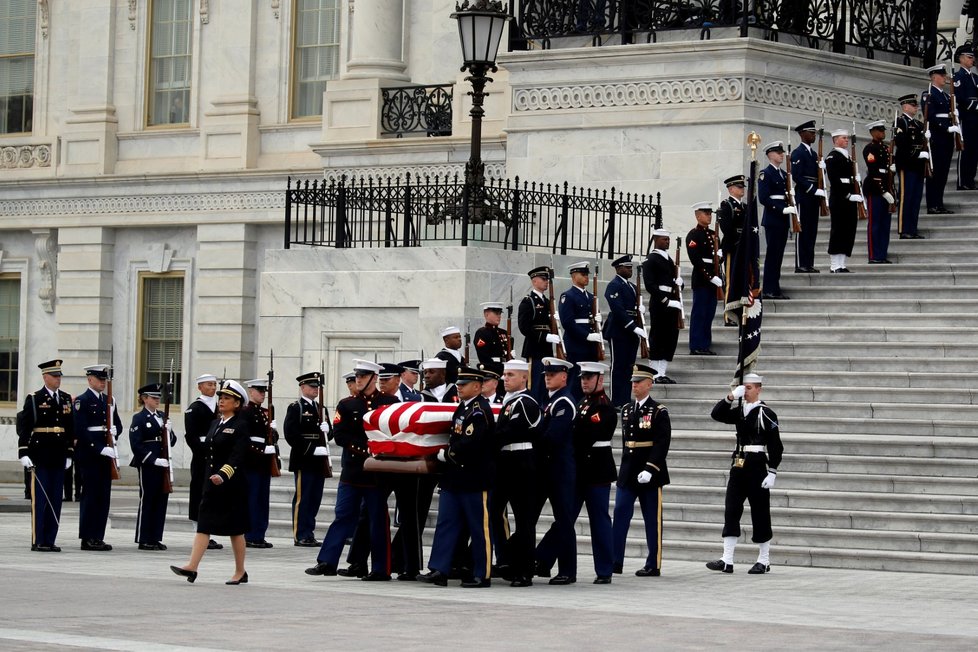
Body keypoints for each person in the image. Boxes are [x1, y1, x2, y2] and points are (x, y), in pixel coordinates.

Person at [306, 359, 396, 581]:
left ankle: (381, 568)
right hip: (354, 469)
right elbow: (340, 434)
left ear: (374, 379)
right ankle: (327, 561)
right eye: (357, 377)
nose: (358, 380)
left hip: (377, 472)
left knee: (377, 519)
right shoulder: (347, 404)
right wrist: (366, 448)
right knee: (343, 515)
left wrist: (379, 449)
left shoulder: (389, 402)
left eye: (363, 377)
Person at [537, 361, 617, 584]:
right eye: (582, 378)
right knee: (564, 519)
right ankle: (542, 558)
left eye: (589, 378)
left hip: (597, 471)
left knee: (599, 521)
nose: (584, 382)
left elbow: (586, 436)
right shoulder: (582, 403)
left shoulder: (604, 406)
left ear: (600, 380)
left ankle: (604, 570)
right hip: (578, 470)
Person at [416, 366, 495, 588]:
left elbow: (472, 444)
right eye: (458, 384)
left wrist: (445, 454)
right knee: (446, 524)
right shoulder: (463, 408)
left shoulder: (480, 411)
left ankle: (482, 573)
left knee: (480, 529)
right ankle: (440, 569)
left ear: (478, 387)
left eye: (464, 385)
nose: (459, 388)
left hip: (474, 478)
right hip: (455, 478)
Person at [170, 380, 251, 585]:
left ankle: (240, 571)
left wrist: (224, 474)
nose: (221, 401)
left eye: (227, 399)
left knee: (235, 530)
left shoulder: (240, 425)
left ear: (237, 403)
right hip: (211, 482)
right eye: (220, 398)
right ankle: (192, 566)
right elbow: (209, 452)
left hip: (231, 485)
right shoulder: (215, 424)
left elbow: (238, 456)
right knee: (203, 524)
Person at [706, 373, 784, 574]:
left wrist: (772, 471)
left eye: (749, 388)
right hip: (738, 464)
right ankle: (727, 559)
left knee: (760, 511)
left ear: (759, 389)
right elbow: (716, 414)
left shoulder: (766, 413)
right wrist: (730, 397)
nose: (746, 391)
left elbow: (776, 445)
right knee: (731, 509)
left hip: (757, 465)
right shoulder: (740, 411)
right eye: (744, 388)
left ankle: (764, 559)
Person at [612, 361, 671, 577]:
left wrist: (650, 468)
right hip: (629, 470)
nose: (634, 386)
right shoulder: (627, 410)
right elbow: (627, 442)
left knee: (652, 520)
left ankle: (653, 564)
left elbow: (662, 443)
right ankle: (615, 560)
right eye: (633, 382)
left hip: (650, 473)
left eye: (638, 382)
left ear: (649, 384)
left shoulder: (658, 411)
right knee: (620, 514)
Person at [488, 358, 541, 587]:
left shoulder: (526, 403)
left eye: (510, 375)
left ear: (524, 377)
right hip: (505, 463)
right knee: (493, 513)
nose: (505, 379)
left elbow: (510, 431)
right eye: (505, 375)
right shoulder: (509, 402)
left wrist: (485, 441)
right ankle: (506, 561)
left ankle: (524, 570)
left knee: (524, 520)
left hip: (521, 464)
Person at [17, 359, 74, 552]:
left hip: (58, 454)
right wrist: (23, 452)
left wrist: (69, 453)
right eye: (54, 376)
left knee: (55, 499)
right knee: (40, 499)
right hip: (40, 454)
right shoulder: (34, 398)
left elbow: (70, 428)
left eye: (59, 376)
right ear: (45, 377)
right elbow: (24, 428)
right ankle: (38, 540)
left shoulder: (65, 399)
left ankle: (50, 539)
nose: (58, 379)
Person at [532, 357, 578, 585]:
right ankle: (532, 562)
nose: (548, 377)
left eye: (553, 373)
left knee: (564, 521)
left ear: (564, 376)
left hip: (559, 470)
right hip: (545, 469)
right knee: (530, 516)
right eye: (546, 374)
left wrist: (531, 439)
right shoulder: (549, 401)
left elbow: (553, 437)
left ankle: (568, 570)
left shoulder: (564, 403)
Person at [73, 363, 123, 551]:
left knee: (103, 497)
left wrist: (115, 433)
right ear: (89, 379)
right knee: (90, 496)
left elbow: (116, 424)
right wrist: (99, 448)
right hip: (90, 455)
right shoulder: (82, 401)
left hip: (106, 454)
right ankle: (87, 537)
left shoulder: (110, 401)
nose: (102, 383)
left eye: (104, 380)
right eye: (99, 379)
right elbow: (81, 430)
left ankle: (98, 536)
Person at [284, 371, 331, 547]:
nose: (315, 390)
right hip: (304, 459)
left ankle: (309, 532)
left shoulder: (321, 409)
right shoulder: (296, 407)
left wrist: (328, 430)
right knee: (303, 499)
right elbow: (291, 434)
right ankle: (300, 534)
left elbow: (329, 435)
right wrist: (311, 449)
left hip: (319, 461)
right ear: (302, 387)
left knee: (315, 498)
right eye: (312, 387)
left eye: (317, 387)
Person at [129, 382, 176, 550]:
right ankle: (144, 538)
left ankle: (155, 537)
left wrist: (169, 431)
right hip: (149, 464)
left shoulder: (162, 415)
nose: (157, 400)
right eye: (154, 397)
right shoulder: (139, 418)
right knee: (148, 499)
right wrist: (153, 459)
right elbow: (136, 444)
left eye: (158, 397)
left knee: (161, 501)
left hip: (163, 463)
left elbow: (172, 442)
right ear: (144, 399)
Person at [602, 254, 646, 407]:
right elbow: (618, 309)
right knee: (618, 367)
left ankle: (625, 399)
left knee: (629, 367)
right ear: (618, 268)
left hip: (632, 331)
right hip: (619, 330)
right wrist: (633, 327)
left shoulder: (632, 287)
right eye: (627, 268)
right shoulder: (614, 285)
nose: (630, 270)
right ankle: (616, 401)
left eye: (631, 267)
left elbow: (633, 309)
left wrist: (640, 310)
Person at [184, 374, 221, 550]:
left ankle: (210, 530)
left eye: (214, 384)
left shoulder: (220, 405)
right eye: (209, 384)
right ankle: (200, 531)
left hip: (216, 458)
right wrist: (207, 448)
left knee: (213, 496)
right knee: (200, 493)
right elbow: (191, 437)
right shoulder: (195, 408)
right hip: (202, 458)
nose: (213, 387)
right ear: (200, 387)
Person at [642, 229, 683, 384]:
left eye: (668, 239)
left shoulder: (668, 259)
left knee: (670, 338)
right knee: (658, 337)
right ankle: (654, 373)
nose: (667, 242)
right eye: (664, 239)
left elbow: (673, 279)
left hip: (672, 302)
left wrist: (680, 283)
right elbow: (650, 285)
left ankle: (662, 372)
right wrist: (666, 300)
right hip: (660, 303)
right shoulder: (651, 259)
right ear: (655, 239)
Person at [242, 379, 279, 548]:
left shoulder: (266, 411)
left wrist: (273, 431)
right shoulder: (245, 412)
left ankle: (260, 534)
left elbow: (270, 438)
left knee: (263, 500)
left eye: (264, 391)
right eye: (259, 391)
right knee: (253, 499)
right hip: (252, 462)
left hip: (264, 462)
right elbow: (244, 439)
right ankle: (250, 535)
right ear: (250, 391)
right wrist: (262, 450)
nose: (262, 394)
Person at [558, 261, 602, 399]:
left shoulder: (590, 296)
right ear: (574, 276)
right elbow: (568, 323)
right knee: (575, 381)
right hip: (576, 345)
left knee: (590, 379)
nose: (586, 278)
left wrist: (599, 321)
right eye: (583, 275)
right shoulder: (568, 296)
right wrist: (587, 336)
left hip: (590, 346)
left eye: (587, 275)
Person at [758, 141, 795, 299]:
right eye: (778, 152)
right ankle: (768, 289)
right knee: (773, 255)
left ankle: (775, 287)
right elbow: (764, 198)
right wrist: (781, 208)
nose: (781, 155)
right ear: (770, 155)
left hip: (782, 219)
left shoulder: (783, 174)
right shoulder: (765, 173)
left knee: (778, 255)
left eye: (782, 152)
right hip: (773, 218)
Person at [685, 202, 723, 355]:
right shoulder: (693, 235)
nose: (709, 216)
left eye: (710, 213)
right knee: (699, 313)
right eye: (706, 213)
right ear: (697, 215)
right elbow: (696, 260)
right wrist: (710, 277)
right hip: (702, 279)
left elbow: (717, 257)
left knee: (709, 314)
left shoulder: (714, 234)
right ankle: (696, 345)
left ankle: (705, 344)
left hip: (714, 278)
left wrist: (719, 256)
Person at [790, 120, 827, 273]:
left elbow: (818, 176)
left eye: (814, 133)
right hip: (804, 196)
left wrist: (822, 169)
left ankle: (809, 262)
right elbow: (797, 177)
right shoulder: (798, 153)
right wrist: (813, 189)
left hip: (813, 197)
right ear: (802, 134)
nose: (813, 135)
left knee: (812, 231)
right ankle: (801, 264)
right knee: (803, 231)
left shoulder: (813, 154)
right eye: (811, 132)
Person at [824, 128, 862, 273]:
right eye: (844, 138)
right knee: (838, 231)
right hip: (840, 199)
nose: (847, 140)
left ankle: (842, 264)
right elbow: (835, 180)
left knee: (848, 230)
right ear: (835, 140)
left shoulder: (847, 157)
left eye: (847, 138)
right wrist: (848, 195)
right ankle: (834, 265)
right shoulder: (833, 157)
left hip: (850, 199)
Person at [922, 64, 957, 214]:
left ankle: (939, 202)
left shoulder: (945, 95)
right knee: (934, 173)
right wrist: (946, 127)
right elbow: (930, 116)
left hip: (947, 139)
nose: (945, 78)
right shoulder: (929, 94)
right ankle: (932, 204)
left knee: (943, 173)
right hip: (937, 138)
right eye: (942, 76)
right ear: (934, 77)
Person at [517, 266, 557, 400]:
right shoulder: (529, 301)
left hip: (546, 350)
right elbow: (524, 327)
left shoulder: (547, 302)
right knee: (534, 383)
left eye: (547, 279)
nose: (546, 282)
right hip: (534, 349)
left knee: (545, 385)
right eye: (543, 279)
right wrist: (546, 336)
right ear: (534, 281)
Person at [894, 94, 928, 239]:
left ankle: (912, 228)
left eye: (916, 105)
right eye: (913, 105)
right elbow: (901, 145)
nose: (916, 108)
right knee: (905, 197)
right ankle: (904, 229)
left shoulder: (919, 124)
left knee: (916, 198)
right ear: (905, 106)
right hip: (907, 165)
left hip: (918, 166)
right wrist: (917, 154)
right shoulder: (900, 122)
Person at [862, 120, 896, 264]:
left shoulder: (885, 148)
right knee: (875, 224)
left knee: (885, 224)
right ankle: (874, 255)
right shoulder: (870, 149)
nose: (883, 133)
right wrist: (883, 192)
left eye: (883, 130)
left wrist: (893, 169)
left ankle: (882, 253)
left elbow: (886, 170)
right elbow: (874, 171)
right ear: (873, 132)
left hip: (887, 188)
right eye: (880, 131)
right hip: (875, 190)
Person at [716, 174, 747, 326]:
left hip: (743, 248)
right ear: (731, 189)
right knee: (730, 281)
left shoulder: (745, 207)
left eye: (743, 187)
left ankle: (741, 312)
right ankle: (729, 315)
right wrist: (740, 238)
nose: (742, 190)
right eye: (739, 187)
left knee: (742, 281)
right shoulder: (726, 205)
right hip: (732, 247)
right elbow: (727, 229)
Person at [954, 45, 978, 190]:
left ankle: (970, 179)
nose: (972, 60)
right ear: (961, 58)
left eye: (972, 57)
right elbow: (960, 98)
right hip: (966, 117)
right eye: (969, 57)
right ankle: (962, 181)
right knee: (966, 149)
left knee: (975, 149)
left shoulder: (975, 77)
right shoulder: (958, 77)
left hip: (976, 118)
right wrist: (974, 106)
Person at [473, 302, 511, 377]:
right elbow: (484, 357)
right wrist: (498, 371)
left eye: (500, 313)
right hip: (491, 372)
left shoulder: (504, 333)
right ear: (486, 314)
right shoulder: (482, 333)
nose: (499, 316)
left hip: (505, 371)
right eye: (496, 313)